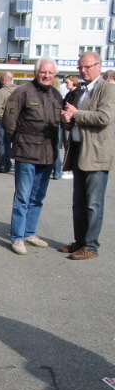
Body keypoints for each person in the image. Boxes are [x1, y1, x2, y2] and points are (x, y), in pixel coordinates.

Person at [3, 57, 63, 255]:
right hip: (26, 152)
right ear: (36, 72)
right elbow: (9, 120)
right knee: (22, 197)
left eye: (50, 72)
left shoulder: (56, 95)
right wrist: (19, 140)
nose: (47, 75)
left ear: (54, 74)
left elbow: (61, 122)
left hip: (48, 154)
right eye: (43, 72)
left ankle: (29, 232)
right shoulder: (22, 91)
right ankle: (17, 237)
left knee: (37, 197)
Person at [59, 52, 115, 260]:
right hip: (79, 150)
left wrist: (76, 114)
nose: (83, 70)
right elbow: (75, 118)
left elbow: (105, 117)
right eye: (80, 67)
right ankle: (80, 241)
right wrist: (67, 119)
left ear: (98, 66)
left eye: (87, 66)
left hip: (96, 154)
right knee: (79, 202)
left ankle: (91, 245)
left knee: (93, 204)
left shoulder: (107, 89)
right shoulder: (82, 90)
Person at [0, 71, 17, 173]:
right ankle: (8, 163)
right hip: (13, 119)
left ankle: (2, 165)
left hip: (1, 119)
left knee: (0, 143)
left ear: (4, 79)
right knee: (8, 143)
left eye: (1, 78)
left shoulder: (1, 92)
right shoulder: (17, 91)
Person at [60, 75, 81, 180]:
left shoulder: (78, 93)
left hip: (73, 122)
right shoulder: (69, 94)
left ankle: (71, 169)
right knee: (66, 144)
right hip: (66, 121)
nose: (65, 84)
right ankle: (68, 167)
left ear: (73, 82)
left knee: (69, 145)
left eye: (67, 82)